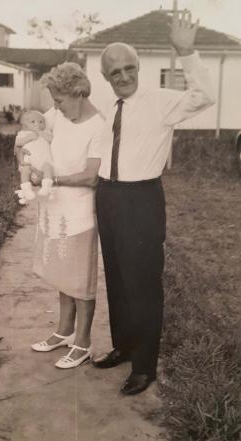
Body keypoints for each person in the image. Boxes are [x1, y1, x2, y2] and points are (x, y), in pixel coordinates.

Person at [92, 10, 215, 395]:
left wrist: (187, 51)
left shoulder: (160, 100)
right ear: (106, 77)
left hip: (141, 199)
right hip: (108, 195)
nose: (125, 76)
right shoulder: (109, 106)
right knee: (116, 277)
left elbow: (205, 96)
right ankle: (126, 346)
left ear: (139, 68)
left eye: (130, 68)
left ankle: (145, 367)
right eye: (116, 72)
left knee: (143, 284)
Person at [16, 62, 104, 368]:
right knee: (62, 274)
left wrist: (53, 179)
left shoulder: (98, 126)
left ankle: (83, 342)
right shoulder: (59, 116)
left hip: (78, 214)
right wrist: (26, 156)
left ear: (78, 93)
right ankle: (65, 331)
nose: (54, 107)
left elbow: (91, 176)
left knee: (80, 280)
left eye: (59, 100)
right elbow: (32, 134)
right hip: (53, 209)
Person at [14, 110, 54, 205]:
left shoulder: (45, 132)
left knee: (48, 168)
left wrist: (41, 134)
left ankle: (46, 186)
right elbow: (17, 143)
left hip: (44, 160)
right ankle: (26, 189)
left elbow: (52, 140)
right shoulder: (23, 133)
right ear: (25, 125)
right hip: (29, 161)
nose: (38, 124)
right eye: (33, 122)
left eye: (41, 121)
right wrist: (28, 138)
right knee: (25, 171)